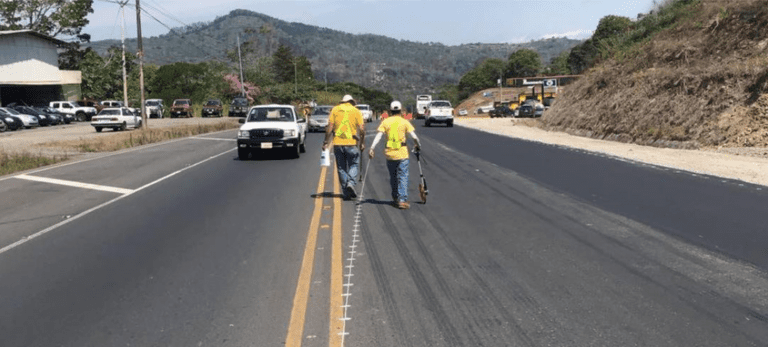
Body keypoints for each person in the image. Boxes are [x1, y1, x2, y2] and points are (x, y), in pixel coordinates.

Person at [368, 101, 422, 209]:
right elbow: (414, 136)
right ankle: (402, 200)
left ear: (390, 111)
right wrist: (418, 145)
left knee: (393, 176)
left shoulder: (386, 122)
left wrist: (372, 147)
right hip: (402, 153)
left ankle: (395, 197)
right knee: (402, 176)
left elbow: (378, 136)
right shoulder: (404, 122)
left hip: (390, 154)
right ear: (401, 111)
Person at [323, 94, 365, 200]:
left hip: (338, 143)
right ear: (351, 102)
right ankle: (351, 182)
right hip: (351, 143)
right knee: (354, 164)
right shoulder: (356, 111)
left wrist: (325, 142)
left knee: (341, 168)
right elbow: (362, 129)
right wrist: (362, 142)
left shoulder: (335, 110)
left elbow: (330, 127)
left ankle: (346, 193)